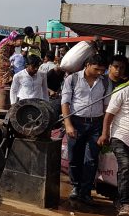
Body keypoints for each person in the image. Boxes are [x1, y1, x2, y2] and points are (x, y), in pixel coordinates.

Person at [61, 54, 113, 205]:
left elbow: (106, 107)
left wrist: (105, 131)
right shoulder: (72, 79)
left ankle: (86, 191)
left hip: (96, 124)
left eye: (102, 70)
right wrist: (68, 125)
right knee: (74, 157)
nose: (99, 73)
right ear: (88, 65)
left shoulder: (105, 81)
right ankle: (76, 188)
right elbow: (65, 103)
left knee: (91, 160)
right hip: (76, 122)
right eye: (96, 69)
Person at [97, 85, 129, 215]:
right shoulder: (123, 90)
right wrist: (105, 134)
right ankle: (125, 203)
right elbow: (109, 114)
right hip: (120, 136)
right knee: (126, 165)